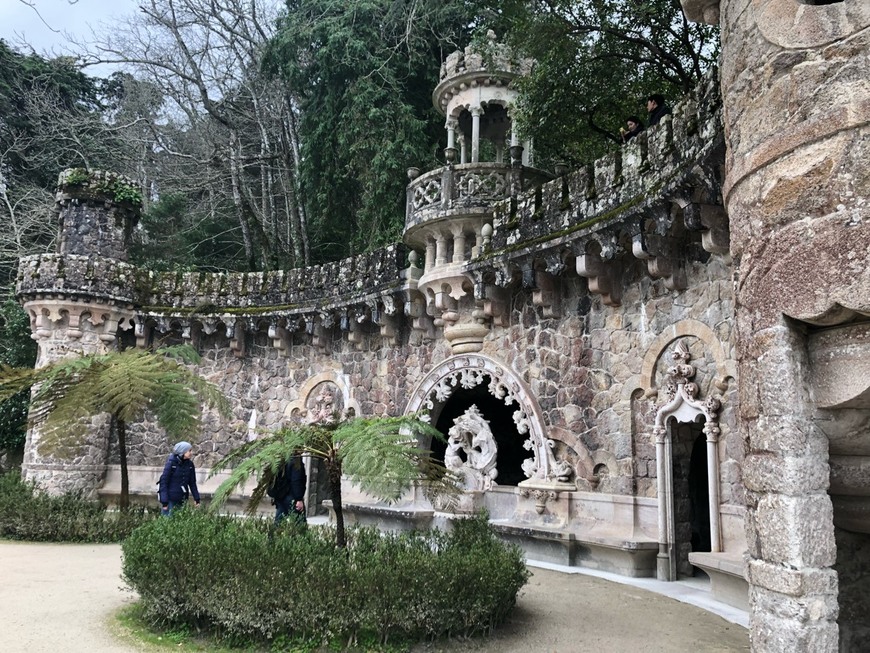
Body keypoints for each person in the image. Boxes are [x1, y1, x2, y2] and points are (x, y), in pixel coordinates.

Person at [158, 441, 201, 516]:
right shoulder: (171, 463)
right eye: (189, 451)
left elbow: (192, 483)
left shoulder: (190, 465)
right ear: (183, 452)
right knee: (168, 522)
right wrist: (164, 501)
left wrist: (196, 498)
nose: (191, 453)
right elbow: (164, 482)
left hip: (183, 498)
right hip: (170, 499)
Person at [267, 455, 307, 526]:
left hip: (281, 496)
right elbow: (296, 481)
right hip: (292, 497)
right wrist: (299, 499)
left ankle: (273, 536)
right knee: (300, 524)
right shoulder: (296, 461)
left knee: (279, 521)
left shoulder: (281, 459)